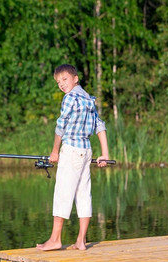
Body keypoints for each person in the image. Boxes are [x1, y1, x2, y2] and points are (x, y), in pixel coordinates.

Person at [36, 64, 109, 251]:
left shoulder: (69, 98)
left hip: (71, 150)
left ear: (75, 78)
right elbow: (100, 126)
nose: (61, 84)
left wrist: (54, 151)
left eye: (64, 79)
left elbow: (61, 126)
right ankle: (81, 241)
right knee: (84, 195)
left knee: (62, 193)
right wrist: (105, 154)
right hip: (86, 151)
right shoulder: (89, 100)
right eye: (58, 82)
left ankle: (55, 239)